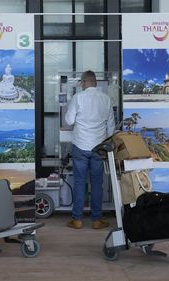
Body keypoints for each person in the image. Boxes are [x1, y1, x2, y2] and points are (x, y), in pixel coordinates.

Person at [64, 70, 116, 229]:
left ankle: (77, 219)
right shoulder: (106, 99)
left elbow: (68, 121)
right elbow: (111, 127)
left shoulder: (78, 97)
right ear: (95, 82)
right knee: (97, 183)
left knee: (79, 182)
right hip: (98, 148)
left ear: (84, 82)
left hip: (80, 145)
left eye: (81, 82)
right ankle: (96, 220)